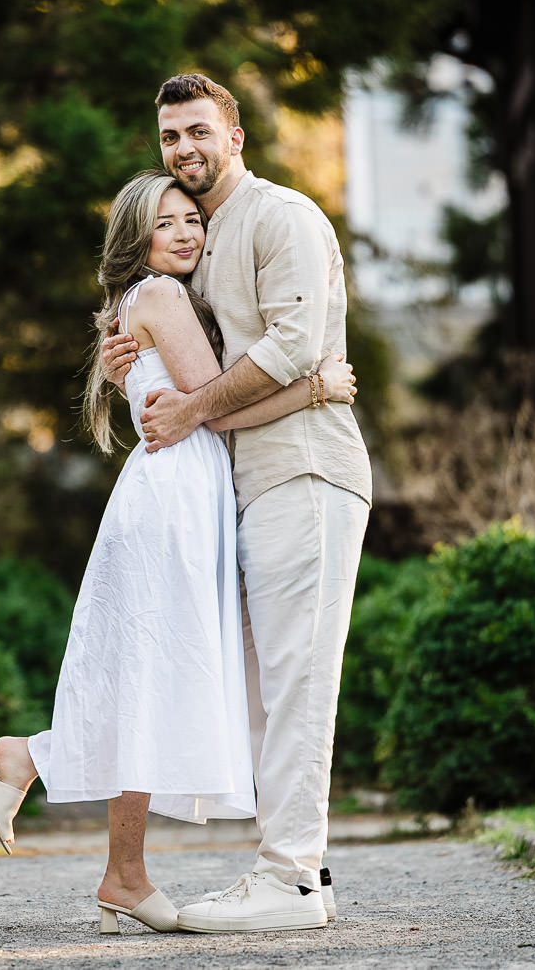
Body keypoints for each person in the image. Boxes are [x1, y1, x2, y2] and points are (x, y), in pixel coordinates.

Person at [0, 168, 357, 935]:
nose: (185, 232)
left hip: (185, 495)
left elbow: (198, 398)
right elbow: (216, 404)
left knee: (150, 682)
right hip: (174, 499)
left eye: (191, 220)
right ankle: (53, 790)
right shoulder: (165, 296)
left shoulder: (161, 298)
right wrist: (317, 388)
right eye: (164, 223)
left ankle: (79, 820)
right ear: (136, 240)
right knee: (151, 679)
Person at [101, 74, 373, 933]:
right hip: (249, 483)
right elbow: (193, 361)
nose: (183, 148)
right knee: (268, 689)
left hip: (308, 473)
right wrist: (134, 358)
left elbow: (294, 344)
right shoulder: (206, 241)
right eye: (170, 136)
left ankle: (289, 878)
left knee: (297, 682)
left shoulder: (281, 214)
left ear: (236, 135)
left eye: (197, 130)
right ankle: (302, 870)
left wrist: (195, 408)